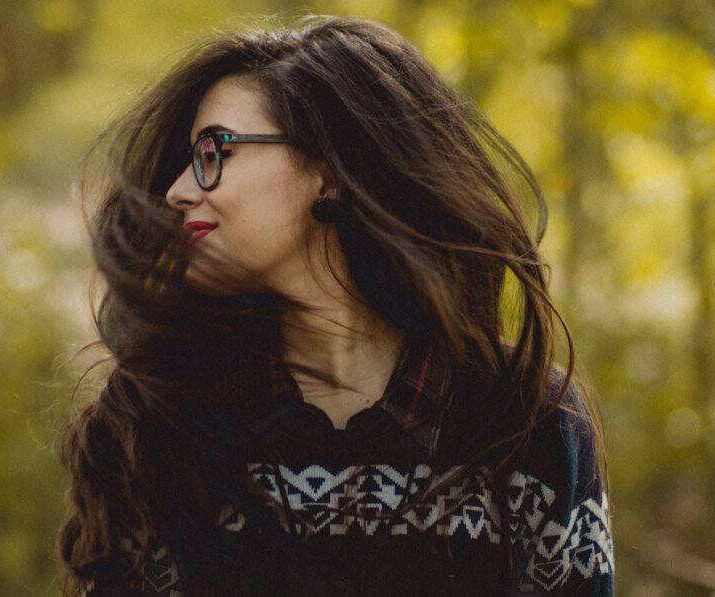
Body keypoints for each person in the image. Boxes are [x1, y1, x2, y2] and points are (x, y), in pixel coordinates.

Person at [59, 16, 613, 597]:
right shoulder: (161, 419)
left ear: (329, 171)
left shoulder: (524, 420)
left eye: (213, 150)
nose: (178, 190)